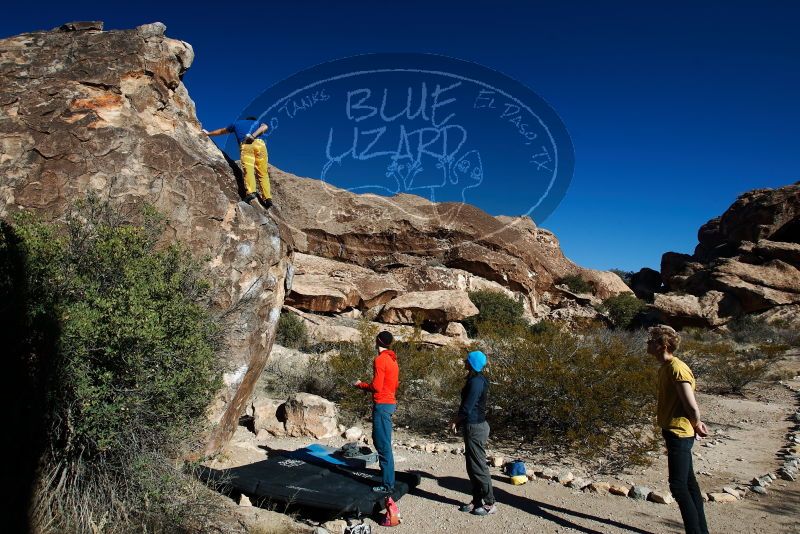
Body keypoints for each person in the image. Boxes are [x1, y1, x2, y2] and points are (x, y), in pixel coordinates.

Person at [647, 325, 709, 534]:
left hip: (679, 433)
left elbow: (690, 404)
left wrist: (696, 424)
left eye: (651, 341)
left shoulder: (677, 368)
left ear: (662, 345)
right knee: (689, 483)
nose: (647, 344)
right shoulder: (665, 367)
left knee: (678, 486)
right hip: (674, 431)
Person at [449, 350, 496, 516]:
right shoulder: (476, 379)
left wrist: (455, 420)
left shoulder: (476, 382)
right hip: (474, 426)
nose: (464, 361)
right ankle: (477, 500)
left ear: (472, 363)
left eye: (467, 360)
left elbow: (467, 407)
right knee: (472, 466)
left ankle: (490, 503)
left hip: (475, 427)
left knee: (479, 467)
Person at [353, 331, 399, 493]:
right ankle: (388, 482)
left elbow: (377, 386)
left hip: (382, 404)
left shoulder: (380, 360)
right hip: (389, 403)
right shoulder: (393, 359)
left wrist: (360, 385)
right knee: (381, 441)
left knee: (383, 444)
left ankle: (388, 485)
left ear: (377, 341)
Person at [203, 117, 272, 208]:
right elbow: (265, 127)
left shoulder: (237, 123)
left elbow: (222, 131)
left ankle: (251, 193)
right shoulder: (258, 122)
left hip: (246, 144)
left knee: (249, 170)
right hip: (260, 145)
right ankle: (268, 198)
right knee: (263, 173)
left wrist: (208, 133)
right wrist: (254, 135)